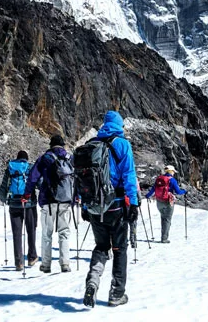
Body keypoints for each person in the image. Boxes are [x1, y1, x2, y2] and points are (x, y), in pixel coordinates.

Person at [82, 111, 138, 308]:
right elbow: (129, 175)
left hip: (95, 207)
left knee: (101, 247)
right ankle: (116, 293)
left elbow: (83, 179)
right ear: (119, 125)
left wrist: (84, 205)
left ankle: (92, 282)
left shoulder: (91, 145)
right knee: (119, 249)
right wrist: (133, 203)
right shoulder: (122, 144)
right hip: (116, 205)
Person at [23, 135, 73, 273]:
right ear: (63, 145)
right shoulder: (69, 158)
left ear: (51, 145)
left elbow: (33, 177)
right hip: (65, 200)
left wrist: (27, 194)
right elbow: (75, 178)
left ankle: (46, 264)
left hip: (48, 201)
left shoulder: (45, 158)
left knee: (47, 234)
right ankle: (65, 264)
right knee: (64, 233)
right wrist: (76, 197)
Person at [0, 150, 38, 271]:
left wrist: (4, 198)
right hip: (29, 204)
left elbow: (4, 185)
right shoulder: (29, 168)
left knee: (17, 234)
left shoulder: (10, 168)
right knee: (31, 230)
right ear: (26, 159)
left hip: (14, 204)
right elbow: (36, 183)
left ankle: (19, 262)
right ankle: (32, 257)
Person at [145, 165, 186, 243]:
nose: (174, 173)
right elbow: (178, 192)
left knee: (163, 218)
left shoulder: (159, 179)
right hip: (168, 202)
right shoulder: (172, 180)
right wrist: (184, 191)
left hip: (159, 202)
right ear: (171, 171)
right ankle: (164, 238)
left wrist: (147, 195)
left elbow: (153, 189)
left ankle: (163, 236)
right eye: (173, 171)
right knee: (167, 220)